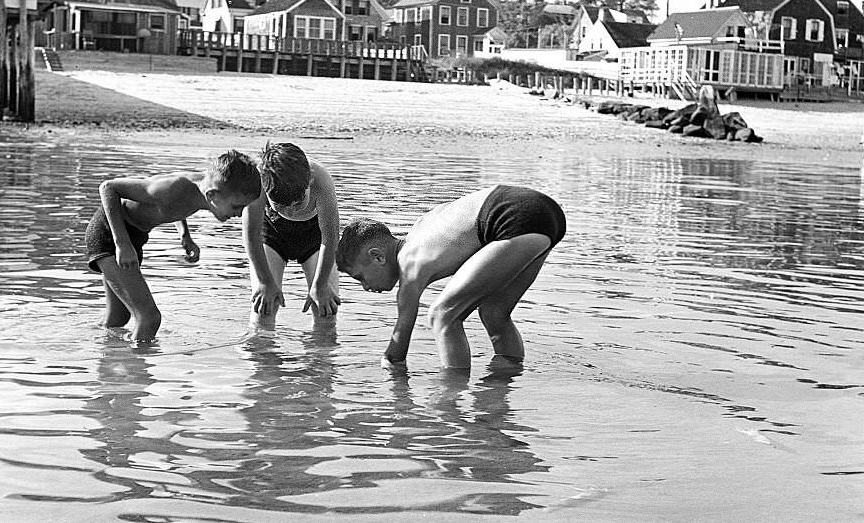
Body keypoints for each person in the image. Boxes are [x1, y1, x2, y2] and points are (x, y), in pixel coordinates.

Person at [336, 185, 566, 369]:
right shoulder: (421, 228)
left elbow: (398, 350)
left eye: (361, 277)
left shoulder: (409, 264)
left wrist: (388, 367)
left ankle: (451, 405)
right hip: (544, 212)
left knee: (443, 315)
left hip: (511, 218)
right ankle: (503, 387)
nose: (366, 287)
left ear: (377, 257)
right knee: (494, 312)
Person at [85, 150, 261, 342]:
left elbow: (176, 207)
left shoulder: (201, 190)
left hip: (133, 237)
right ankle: (136, 368)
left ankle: (101, 354)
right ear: (212, 195)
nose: (239, 214)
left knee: (118, 318)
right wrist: (122, 243)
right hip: (110, 232)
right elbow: (108, 187)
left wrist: (184, 235)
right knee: (149, 318)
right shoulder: (172, 188)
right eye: (236, 207)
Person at [242, 141, 341, 323]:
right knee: (265, 306)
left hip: (315, 236)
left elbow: (331, 236)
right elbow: (250, 234)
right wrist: (265, 282)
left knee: (326, 310)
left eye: (298, 203)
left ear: (309, 180)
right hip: (272, 234)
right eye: (280, 206)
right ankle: (260, 350)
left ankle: (321, 351)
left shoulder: (320, 179)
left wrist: (319, 286)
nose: (291, 211)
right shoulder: (257, 181)